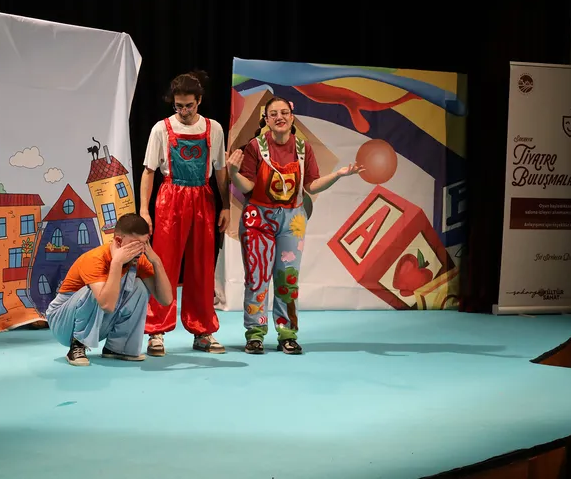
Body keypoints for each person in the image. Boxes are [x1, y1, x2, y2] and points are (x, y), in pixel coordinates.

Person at [226, 96, 362, 355]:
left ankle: (287, 334)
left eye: (284, 113)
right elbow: (248, 186)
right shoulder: (255, 147)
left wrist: (338, 175)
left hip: (293, 220)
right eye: (273, 114)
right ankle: (255, 334)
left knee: (287, 279)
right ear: (266, 120)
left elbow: (311, 185)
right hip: (258, 218)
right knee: (257, 278)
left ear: (291, 116)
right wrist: (233, 173)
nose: (279, 117)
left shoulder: (303, 148)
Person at [140, 70, 230, 356]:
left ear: (199, 101)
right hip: (170, 198)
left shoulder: (214, 128)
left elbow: (221, 171)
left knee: (202, 266)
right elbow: (148, 171)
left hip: (202, 197)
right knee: (164, 265)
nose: (184, 111)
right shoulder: (161, 128)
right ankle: (156, 331)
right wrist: (144, 210)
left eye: (189, 105)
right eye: (178, 106)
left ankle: (202, 330)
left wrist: (226, 205)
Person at [44, 213, 174, 366]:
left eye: (143, 244)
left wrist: (156, 261)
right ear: (118, 241)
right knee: (96, 291)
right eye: (134, 245)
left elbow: (166, 300)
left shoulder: (139, 260)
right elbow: (107, 305)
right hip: (63, 322)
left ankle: (118, 348)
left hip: (98, 320)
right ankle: (77, 344)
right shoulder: (95, 259)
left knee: (139, 287)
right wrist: (117, 262)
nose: (139, 251)